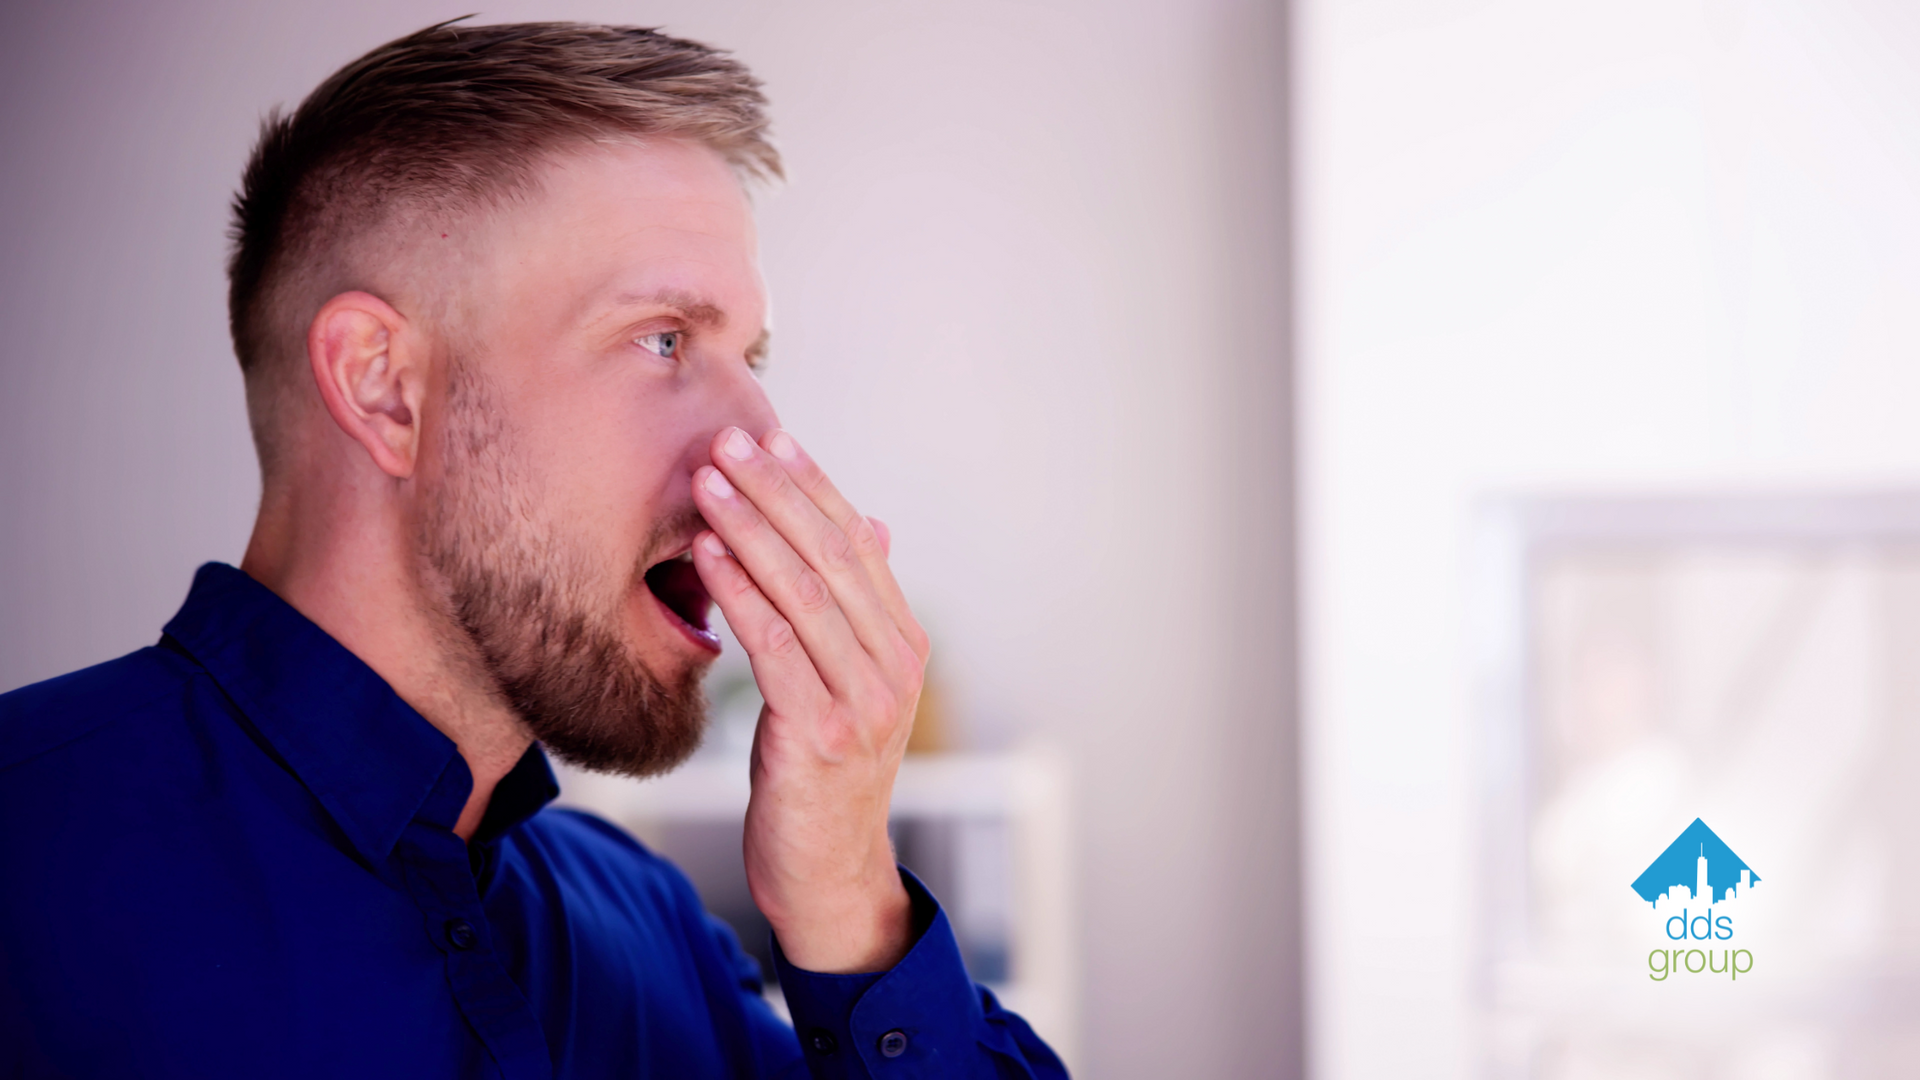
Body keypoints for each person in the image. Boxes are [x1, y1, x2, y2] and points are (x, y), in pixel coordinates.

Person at [0, 20, 1065, 1080]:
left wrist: (848, 902)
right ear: (386, 387)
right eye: (662, 339)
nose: (762, 446)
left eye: (751, 356)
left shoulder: (654, 926)